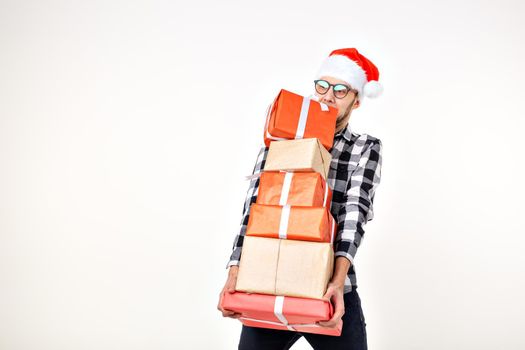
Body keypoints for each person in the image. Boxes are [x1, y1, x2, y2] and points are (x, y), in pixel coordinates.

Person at [218, 48, 384, 350]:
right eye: (322, 86)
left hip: (330, 288)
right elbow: (253, 209)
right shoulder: (280, 140)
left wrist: (336, 282)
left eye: (340, 90)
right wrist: (234, 271)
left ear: (356, 100)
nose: (328, 96)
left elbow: (354, 214)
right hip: (269, 281)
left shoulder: (364, 148)